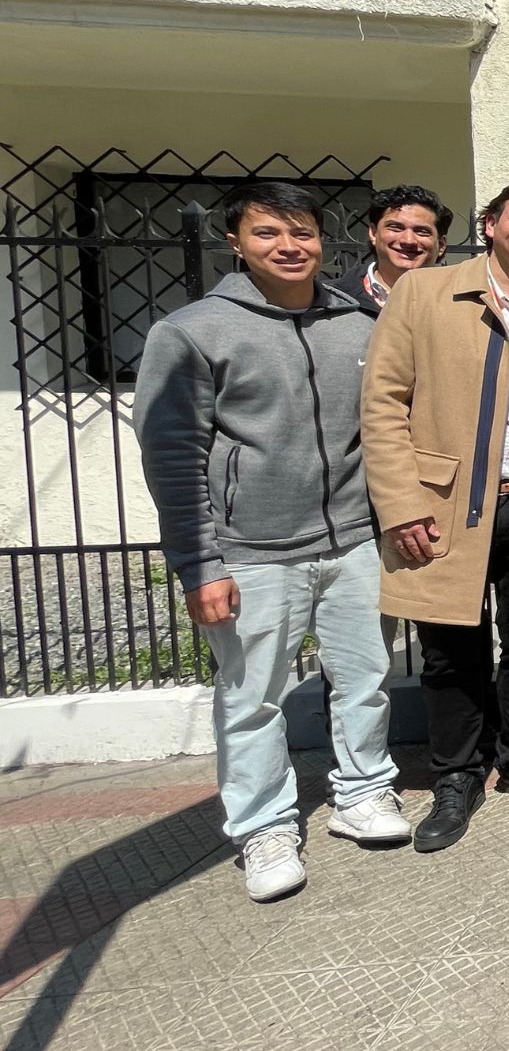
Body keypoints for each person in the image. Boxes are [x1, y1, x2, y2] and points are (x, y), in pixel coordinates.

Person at [134, 182, 406, 901]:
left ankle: (363, 792)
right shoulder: (192, 332)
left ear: (323, 239)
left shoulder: (358, 321)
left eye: (302, 232)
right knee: (251, 698)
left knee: (365, 680)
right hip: (251, 549)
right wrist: (200, 564)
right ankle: (264, 826)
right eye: (267, 233)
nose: (288, 246)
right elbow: (172, 456)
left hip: (355, 538)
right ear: (235, 241)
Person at [361, 181, 509, 852]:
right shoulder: (424, 293)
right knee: (449, 651)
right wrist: (401, 504)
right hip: (444, 506)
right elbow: (383, 404)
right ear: (490, 225)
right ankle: (456, 775)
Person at [330, 184, 452, 315]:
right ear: (373, 233)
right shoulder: (330, 301)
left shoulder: (460, 303)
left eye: (422, 231)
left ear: (441, 245)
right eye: (396, 228)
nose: (408, 240)